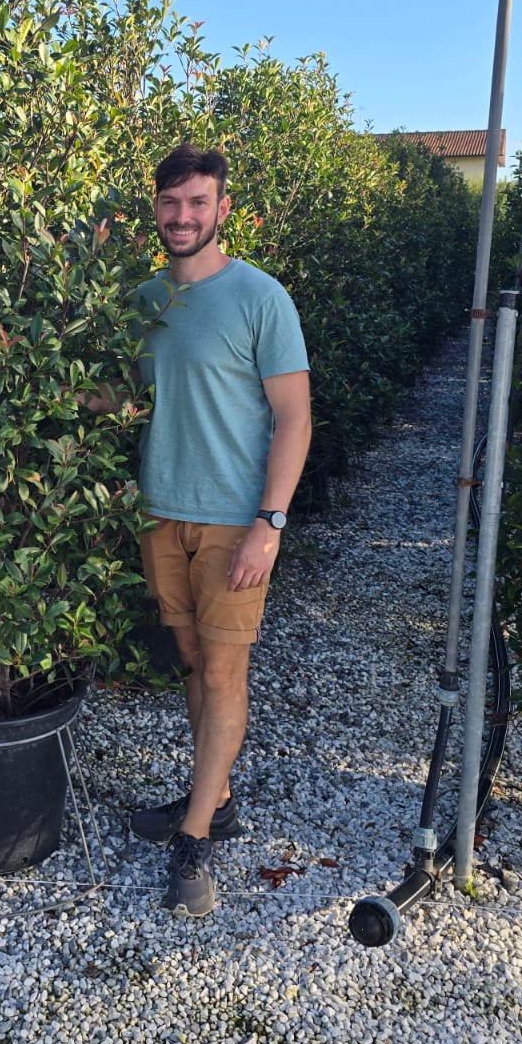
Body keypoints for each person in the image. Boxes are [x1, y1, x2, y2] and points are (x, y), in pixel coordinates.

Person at [124, 143, 311, 917]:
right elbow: (129, 397)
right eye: (171, 204)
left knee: (224, 676)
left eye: (198, 203)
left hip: (236, 521)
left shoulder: (260, 298)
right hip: (160, 513)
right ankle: (217, 796)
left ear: (222, 209)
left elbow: (294, 417)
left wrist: (270, 522)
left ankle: (195, 840)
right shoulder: (143, 300)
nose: (182, 217)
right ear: (156, 210)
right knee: (194, 662)